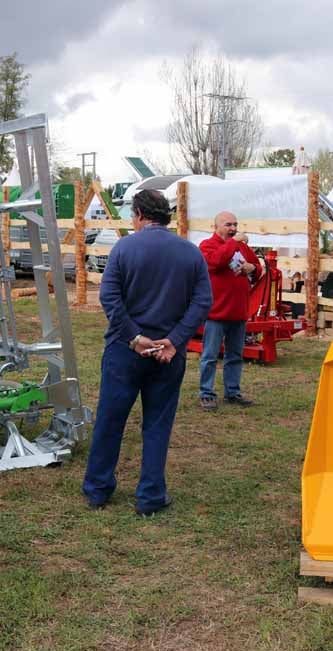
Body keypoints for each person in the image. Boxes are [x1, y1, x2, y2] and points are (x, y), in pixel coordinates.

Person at [82, 189, 212, 516]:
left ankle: (98, 489)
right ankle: (151, 495)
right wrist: (175, 340)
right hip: (168, 354)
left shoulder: (124, 248)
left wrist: (133, 337)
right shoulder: (190, 253)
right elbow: (202, 301)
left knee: (110, 420)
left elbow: (109, 297)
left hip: (125, 352)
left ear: (139, 214)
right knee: (157, 423)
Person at [197, 211, 261, 410]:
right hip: (217, 312)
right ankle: (206, 393)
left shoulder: (241, 246)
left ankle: (232, 392)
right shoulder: (207, 246)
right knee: (210, 355)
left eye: (235, 224)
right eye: (228, 225)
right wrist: (235, 243)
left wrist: (252, 268)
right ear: (216, 227)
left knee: (235, 355)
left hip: (239, 311)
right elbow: (216, 261)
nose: (233, 228)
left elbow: (257, 268)